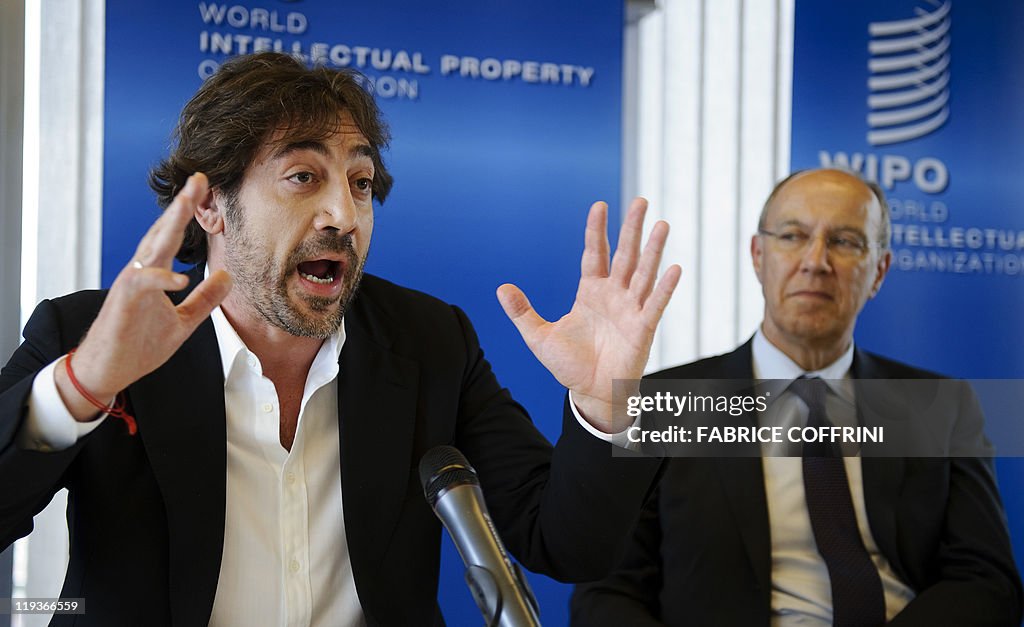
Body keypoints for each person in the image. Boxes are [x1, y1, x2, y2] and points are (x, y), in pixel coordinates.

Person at [0, 52, 681, 626]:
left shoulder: (430, 341)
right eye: (303, 177)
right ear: (209, 204)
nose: (344, 215)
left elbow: (566, 543)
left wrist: (602, 407)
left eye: (360, 183)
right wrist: (81, 386)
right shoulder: (94, 337)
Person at [571, 169, 1022, 626]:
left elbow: (986, 582)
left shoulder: (940, 406)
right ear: (757, 254)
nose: (815, 260)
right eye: (793, 235)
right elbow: (607, 593)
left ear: (879, 270)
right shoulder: (664, 405)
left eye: (845, 241)